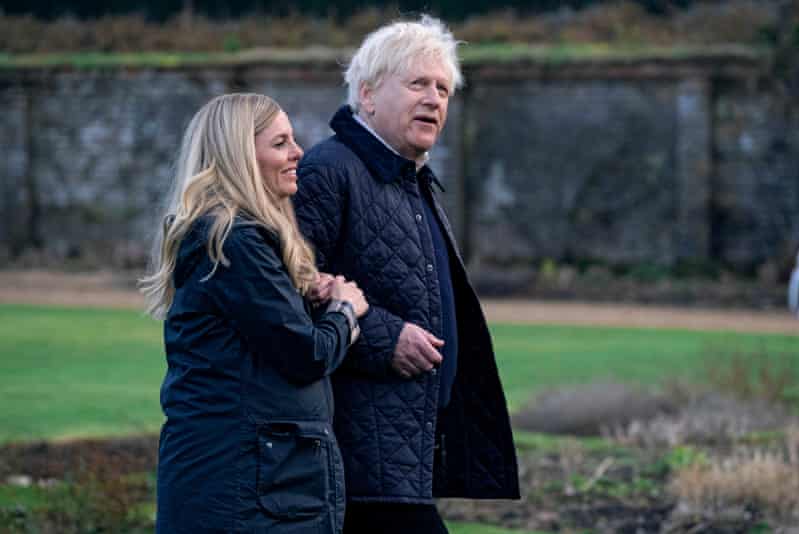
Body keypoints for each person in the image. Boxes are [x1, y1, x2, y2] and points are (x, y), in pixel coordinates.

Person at [293, 15, 520, 534]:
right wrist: (383, 337)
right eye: (418, 83)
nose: (435, 99)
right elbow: (291, 288)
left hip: (402, 450)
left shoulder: (412, 181)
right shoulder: (330, 169)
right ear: (367, 96)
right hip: (356, 451)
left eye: (443, 89)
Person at [140, 93, 368, 533]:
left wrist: (303, 298)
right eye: (280, 143)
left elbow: (259, 333)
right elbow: (306, 355)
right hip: (243, 486)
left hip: (253, 479)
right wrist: (345, 310)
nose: (298, 152)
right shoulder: (233, 239)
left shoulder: (232, 237)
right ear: (240, 155)